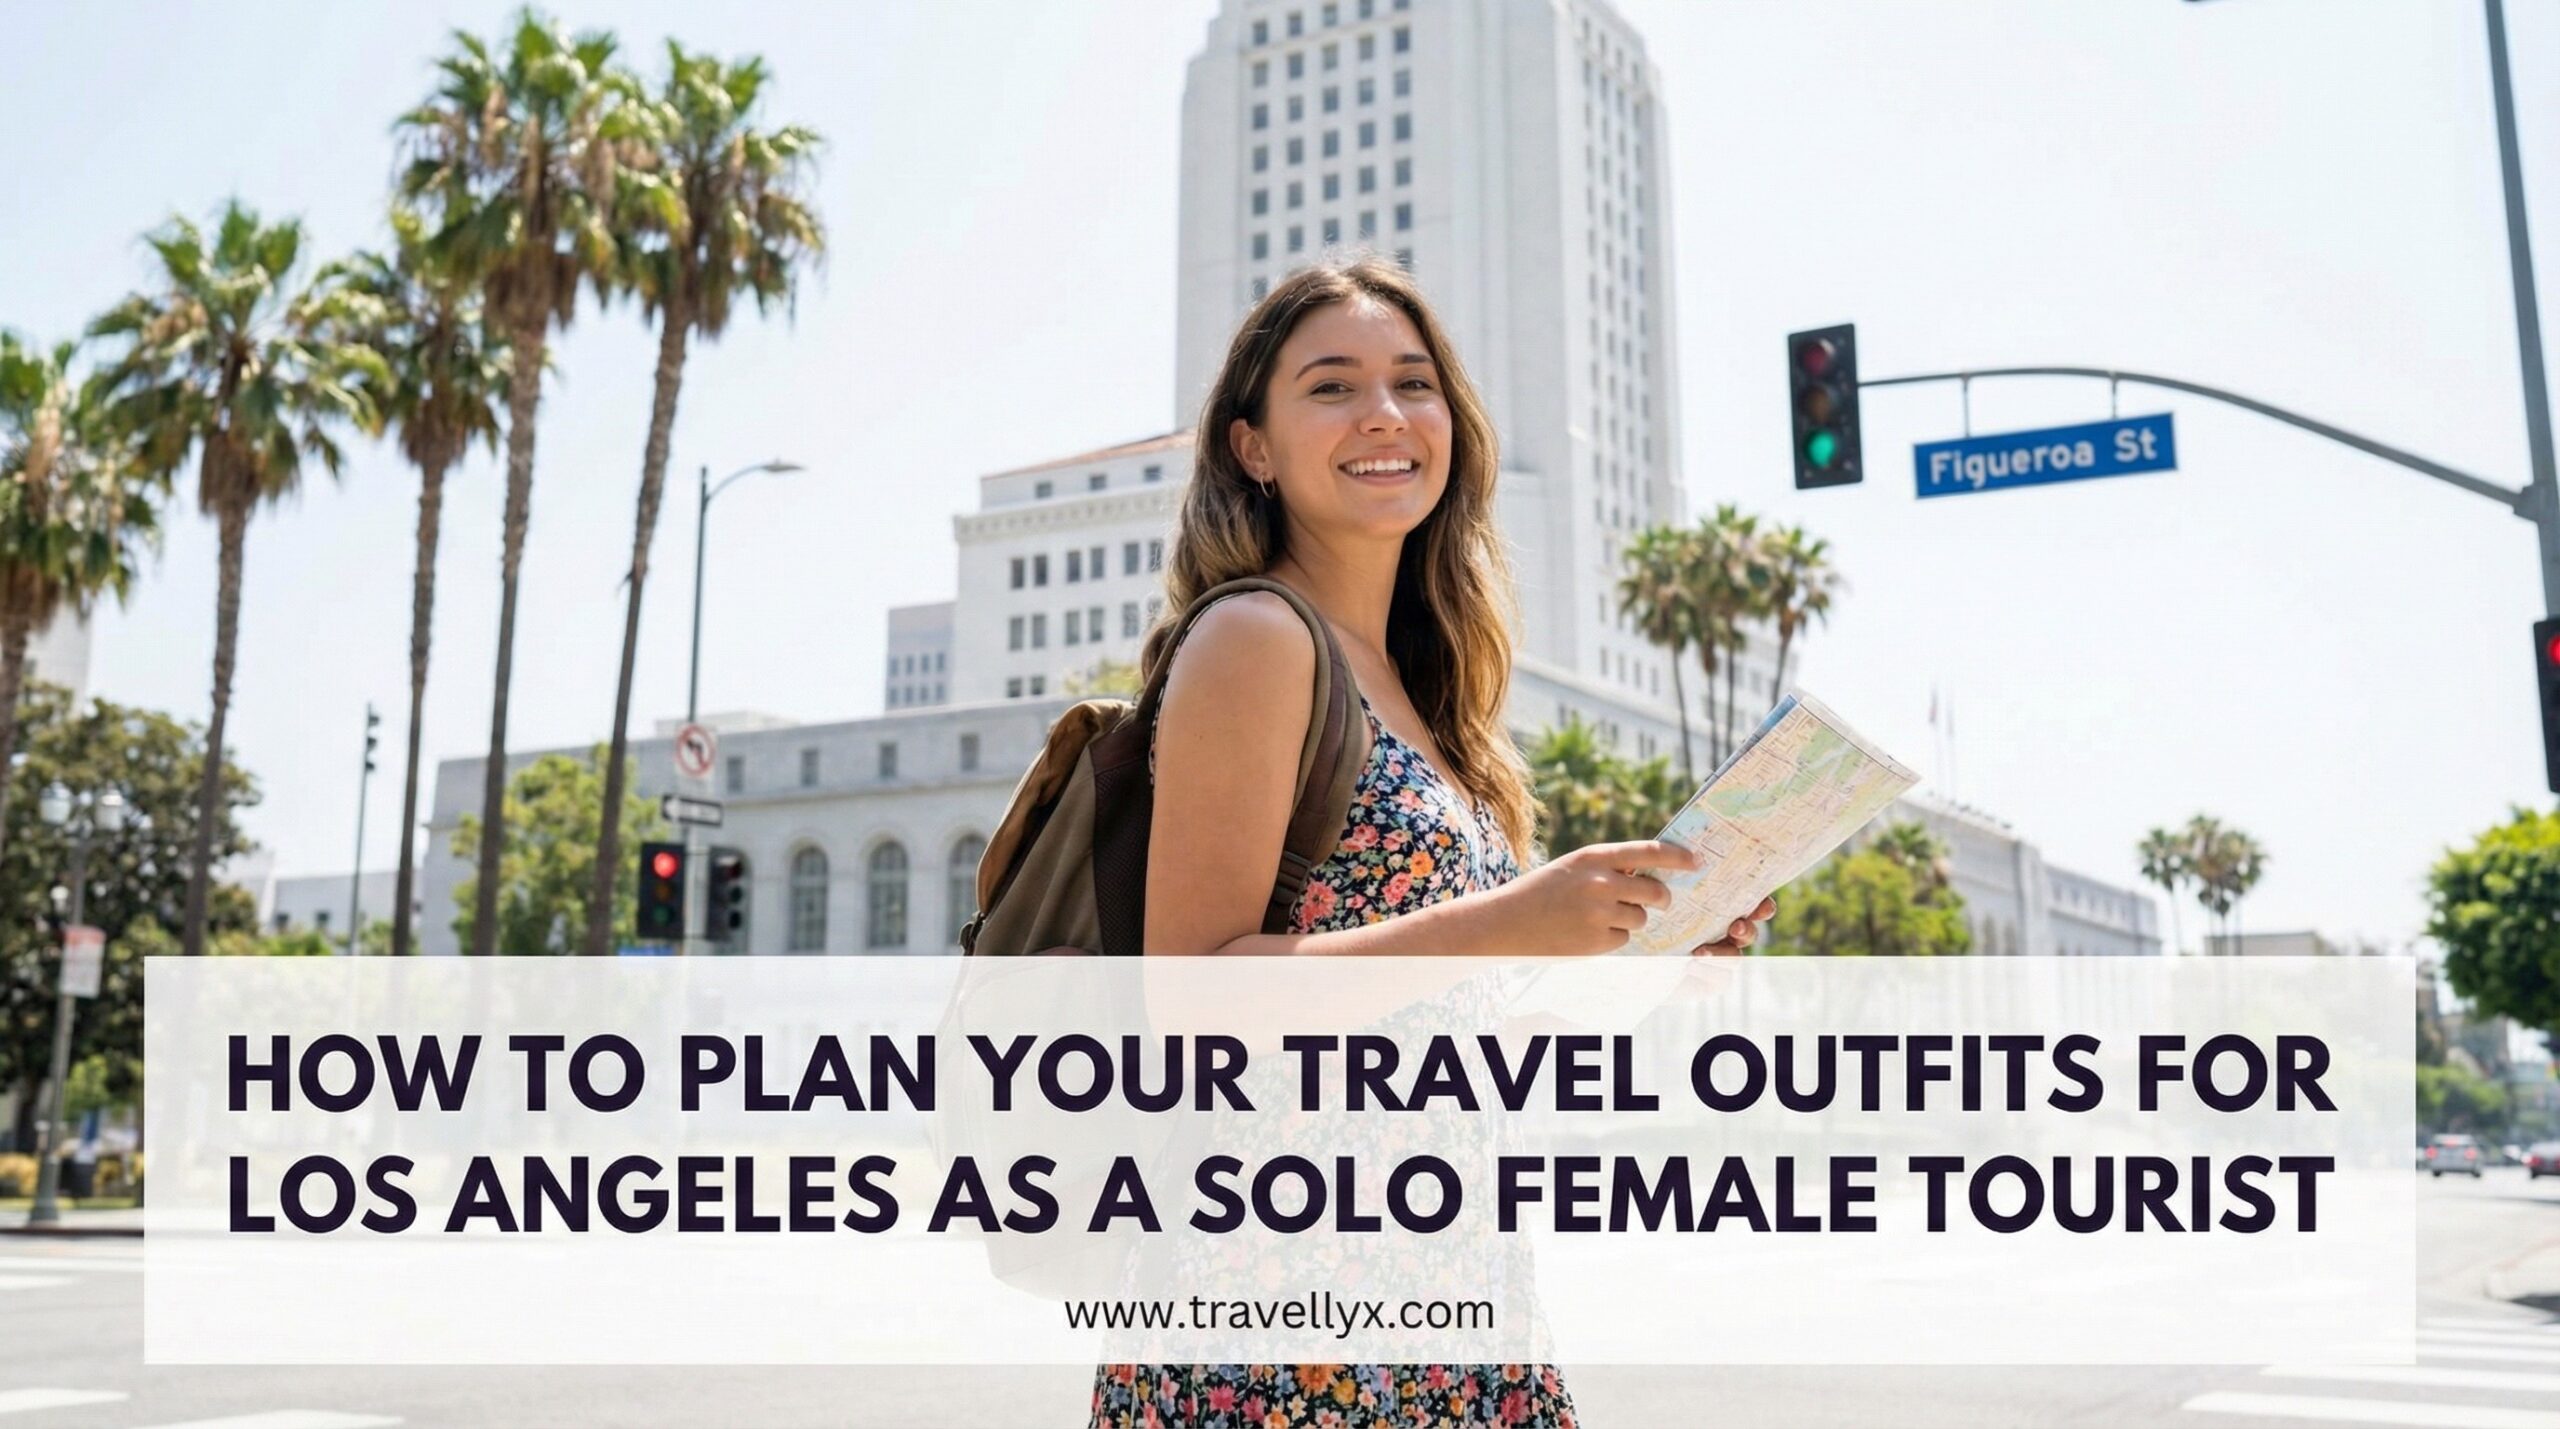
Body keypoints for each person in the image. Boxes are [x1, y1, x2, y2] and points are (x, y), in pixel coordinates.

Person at [1088, 255, 1776, 1427]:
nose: (1386, 415)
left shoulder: (1428, 694)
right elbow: (1193, 1000)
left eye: (1414, 383)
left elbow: (1452, 1019)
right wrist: (1508, 920)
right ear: (1252, 445)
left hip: (1457, 1303)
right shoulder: (1254, 639)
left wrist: (1640, 953)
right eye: (1332, 387)